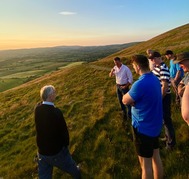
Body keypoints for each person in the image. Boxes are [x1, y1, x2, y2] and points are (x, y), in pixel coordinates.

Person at [122, 55, 163, 179]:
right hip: (155, 125)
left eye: (134, 66)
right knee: (156, 157)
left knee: (146, 165)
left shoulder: (140, 84)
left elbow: (125, 100)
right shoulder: (155, 79)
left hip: (143, 128)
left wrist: (133, 100)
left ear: (138, 66)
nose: (133, 68)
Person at [34, 85, 81, 179]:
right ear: (50, 96)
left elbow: (40, 104)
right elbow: (63, 131)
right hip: (56, 151)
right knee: (70, 166)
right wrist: (65, 145)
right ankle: (77, 175)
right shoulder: (56, 112)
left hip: (42, 151)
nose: (55, 94)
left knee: (44, 176)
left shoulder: (37, 109)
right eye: (54, 92)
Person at [149, 51, 176, 150]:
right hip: (160, 97)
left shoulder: (163, 68)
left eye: (152, 59)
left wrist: (159, 99)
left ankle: (171, 143)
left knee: (167, 120)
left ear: (157, 58)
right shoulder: (157, 67)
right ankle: (167, 137)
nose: (151, 61)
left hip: (164, 98)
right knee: (164, 119)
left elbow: (164, 87)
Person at [173, 52, 189, 125]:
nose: (180, 65)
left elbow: (187, 115)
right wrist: (180, 87)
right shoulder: (187, 73)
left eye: (181, 62)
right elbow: (182, 82)